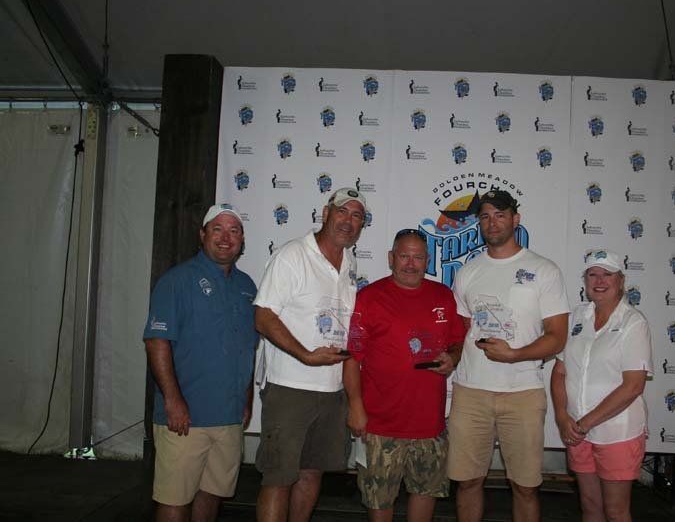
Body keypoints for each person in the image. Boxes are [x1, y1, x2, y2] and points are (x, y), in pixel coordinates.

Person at [448, 190, 569, 522]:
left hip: (523, 393)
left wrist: (515, 355)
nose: (492, 222)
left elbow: (558, 338)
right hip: (471, 390)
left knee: (526, 486)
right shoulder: (468, 272)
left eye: (500, 214)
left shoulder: (544, 270)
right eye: (485, 216)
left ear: (515, 219)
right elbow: (462, 332)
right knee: (468, 481)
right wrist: (449, 357)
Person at [253, 187, 367, 522]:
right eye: (342, 211)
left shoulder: (349, 262)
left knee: (311, 473)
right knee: (278, 477)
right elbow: (263, 316)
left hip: (332, 392)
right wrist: (304, 355)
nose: (348, 220)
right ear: (325, 212)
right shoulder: (292, 255)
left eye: (357, 215)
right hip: (290, 387)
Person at [143, 203, 258, 522]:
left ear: (242, 240)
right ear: (202, 235)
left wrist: (246, 399)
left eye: (233, 230)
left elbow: (248, 346)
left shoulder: (247, 287)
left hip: (229, 417)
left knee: (213, 494)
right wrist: (173, 400)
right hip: (186, 418)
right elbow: (156, 341)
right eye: (217, 229)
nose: (226, 237)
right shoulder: (176, 281)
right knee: (174, 499)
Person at [343, 229, 466, 521]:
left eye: (418, 257)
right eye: (404, 256)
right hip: (380, 425)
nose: (410, 264)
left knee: (426, 492)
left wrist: (453, 357)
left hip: (430, 425)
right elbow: (352, 358)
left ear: (427, 261)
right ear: (391, 258)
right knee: (379, 497)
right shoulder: (370, 297)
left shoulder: (443, 296)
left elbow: (457, 341)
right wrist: (356, 407)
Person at [551, 249, 653, 522]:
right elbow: (559, 372)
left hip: (616, 433)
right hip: (576, 431)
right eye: (592, 274)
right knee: (590, 507)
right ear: (584, 281)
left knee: (616, 512)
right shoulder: (576, 317)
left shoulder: (633, 322)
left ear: (621, 280)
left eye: (607, 274)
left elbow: (633, 386)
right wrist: (562, 417)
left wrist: (585, 423)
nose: (599, 280)